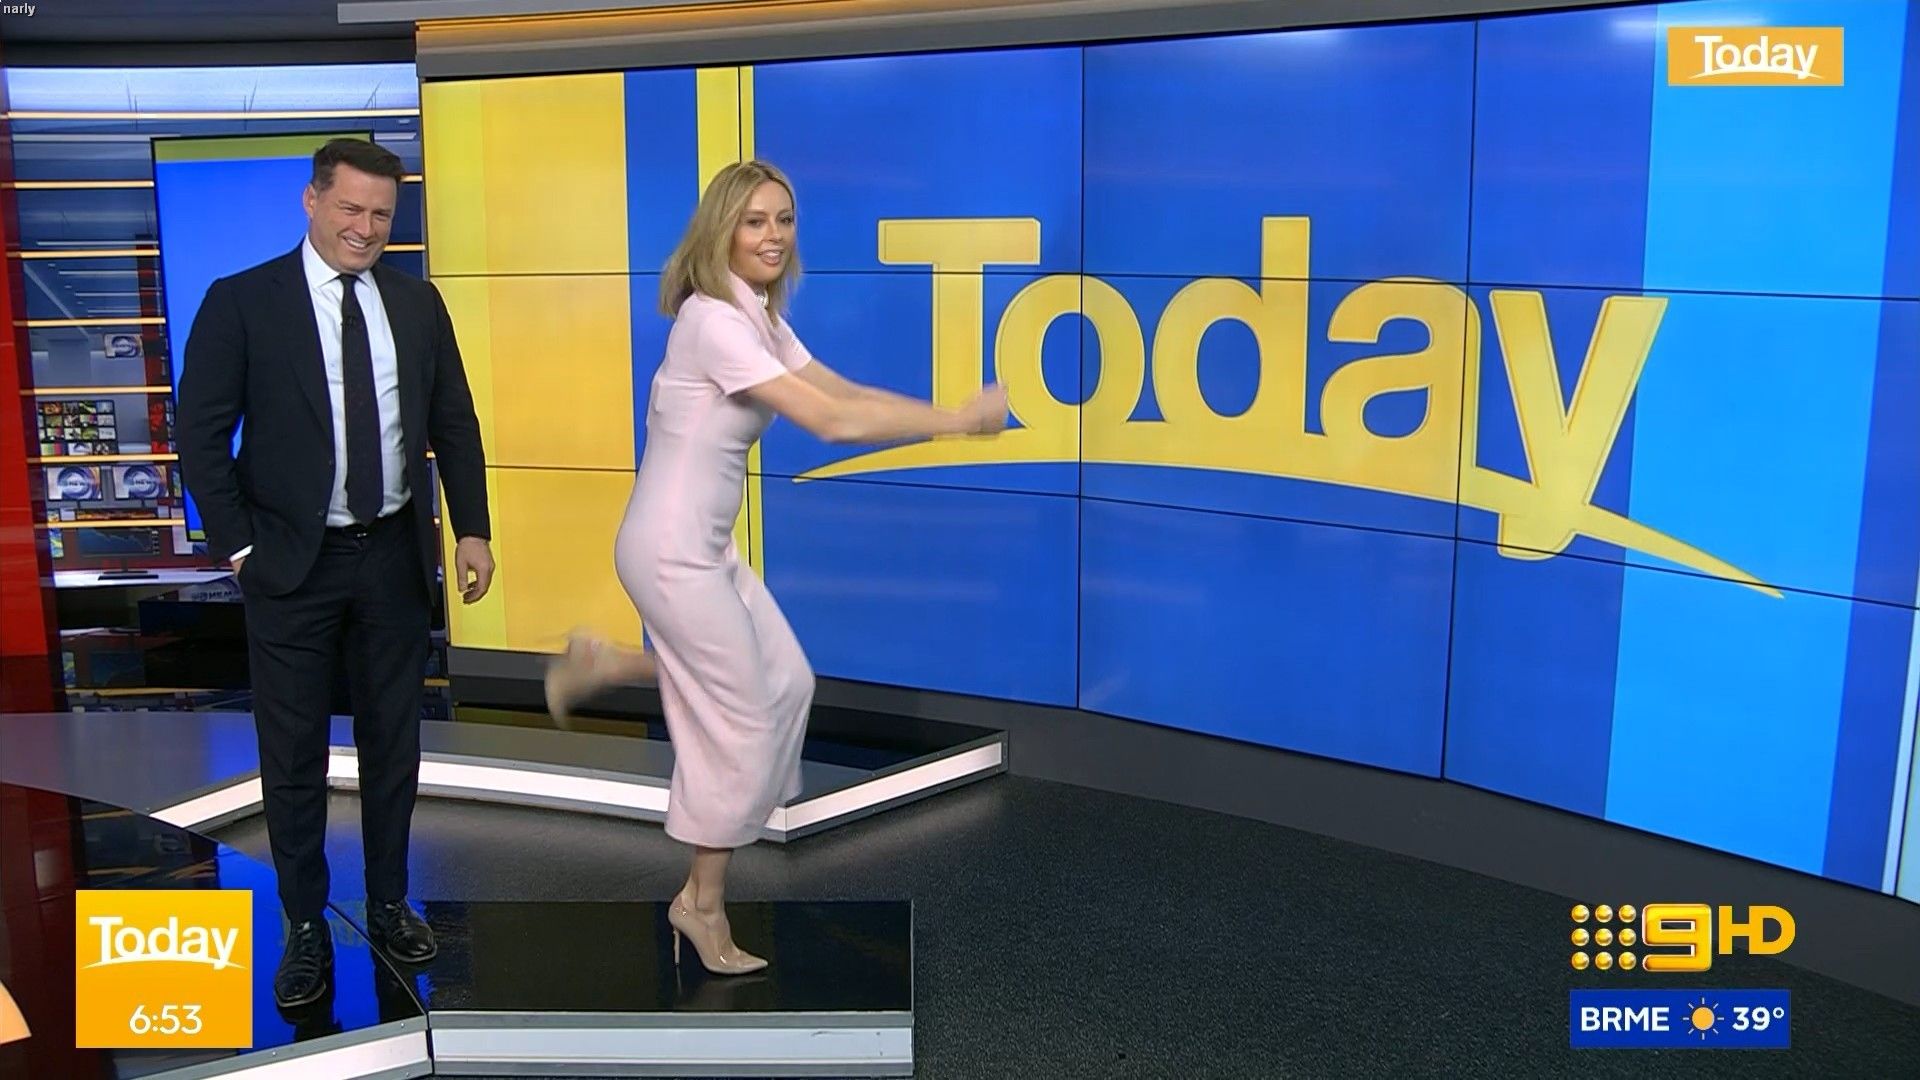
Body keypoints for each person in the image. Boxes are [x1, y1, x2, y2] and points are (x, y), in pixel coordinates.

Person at [543, 159, 1007, 975]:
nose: (773, 236)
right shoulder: (713, 321)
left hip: (705, 546)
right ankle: (701, 905)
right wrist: (956, 422)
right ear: (721, 229)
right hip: (670, 551)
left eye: (783, 220)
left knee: (787, 682)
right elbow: (829, 422)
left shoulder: (757, 313)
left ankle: (612, 664)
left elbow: (843, 391)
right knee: (744, 721)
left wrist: (951, 418)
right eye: (754, 221)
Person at [176, 137, 496, 1008]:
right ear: (312, 200)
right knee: (292, 754)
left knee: (395, 744)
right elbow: (200, 434)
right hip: (291, 563)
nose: (365, 227)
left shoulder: (417, 302)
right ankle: (306, 923)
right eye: (350, 208)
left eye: (381, 214)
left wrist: (472, 529)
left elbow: (454, 420)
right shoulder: (242, 301)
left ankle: (389, 903)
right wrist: (240, 547)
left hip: (391, 557)